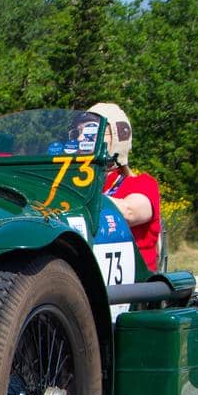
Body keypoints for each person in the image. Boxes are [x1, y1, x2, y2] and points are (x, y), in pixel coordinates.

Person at [85, 101, 162, 271]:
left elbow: (129, 212)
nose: (81, 138)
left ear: (118, 136)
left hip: (135, 287)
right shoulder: (78, 182)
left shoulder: (143, 184)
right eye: (79, 132)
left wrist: (78, 196)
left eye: (92, 131)